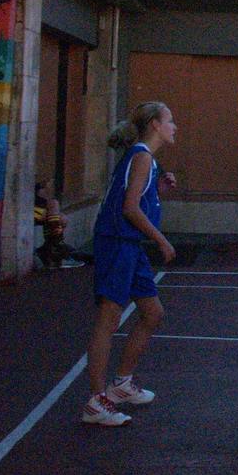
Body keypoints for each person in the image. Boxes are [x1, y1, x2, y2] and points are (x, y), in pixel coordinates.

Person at [81, 102, 178, 426]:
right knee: (109, 318)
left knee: (153, 313)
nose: (174, 126)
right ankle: (96, 402)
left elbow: (137, 199)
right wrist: (161, 240)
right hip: (117, 243)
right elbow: (130, 209)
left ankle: (121, 383)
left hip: (130, 245)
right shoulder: (142, 156)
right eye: (170, 121)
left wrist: (159, 189)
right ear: (154, 124)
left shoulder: (145, 161)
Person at [34, 181, 83, 269]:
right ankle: (56, 253)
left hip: (34, 205)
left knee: (62, 219)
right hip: (25, 209)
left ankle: (49, 249)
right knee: (54, 204)